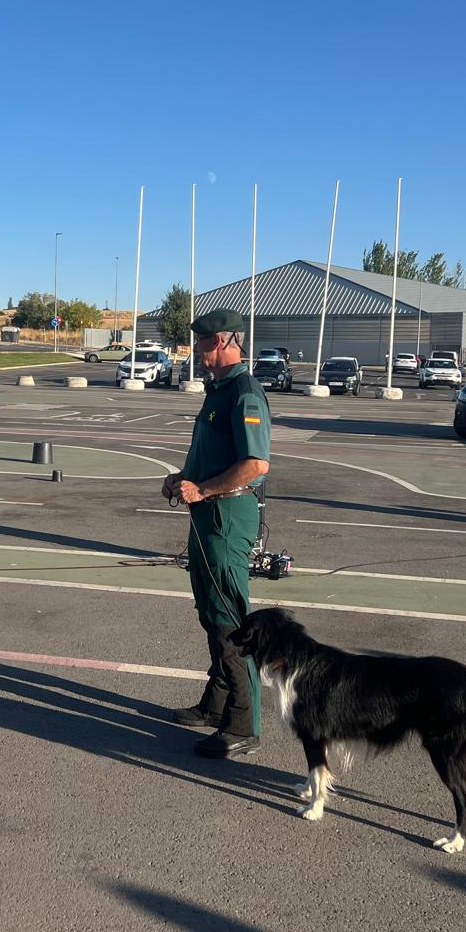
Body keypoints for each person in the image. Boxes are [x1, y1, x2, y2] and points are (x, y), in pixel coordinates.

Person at [159, 309, 272, 758]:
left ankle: (244, 724)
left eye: (205, 343)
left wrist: (202, 488)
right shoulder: (218, 391)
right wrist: (182, 477)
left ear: (226, 341)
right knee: (210, 612)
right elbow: (210, 453)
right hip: (207, 517)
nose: (198, 351)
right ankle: (217, 703)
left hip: (226, 518)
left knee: (231, 622)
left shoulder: (244, 393)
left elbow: (255, 465)